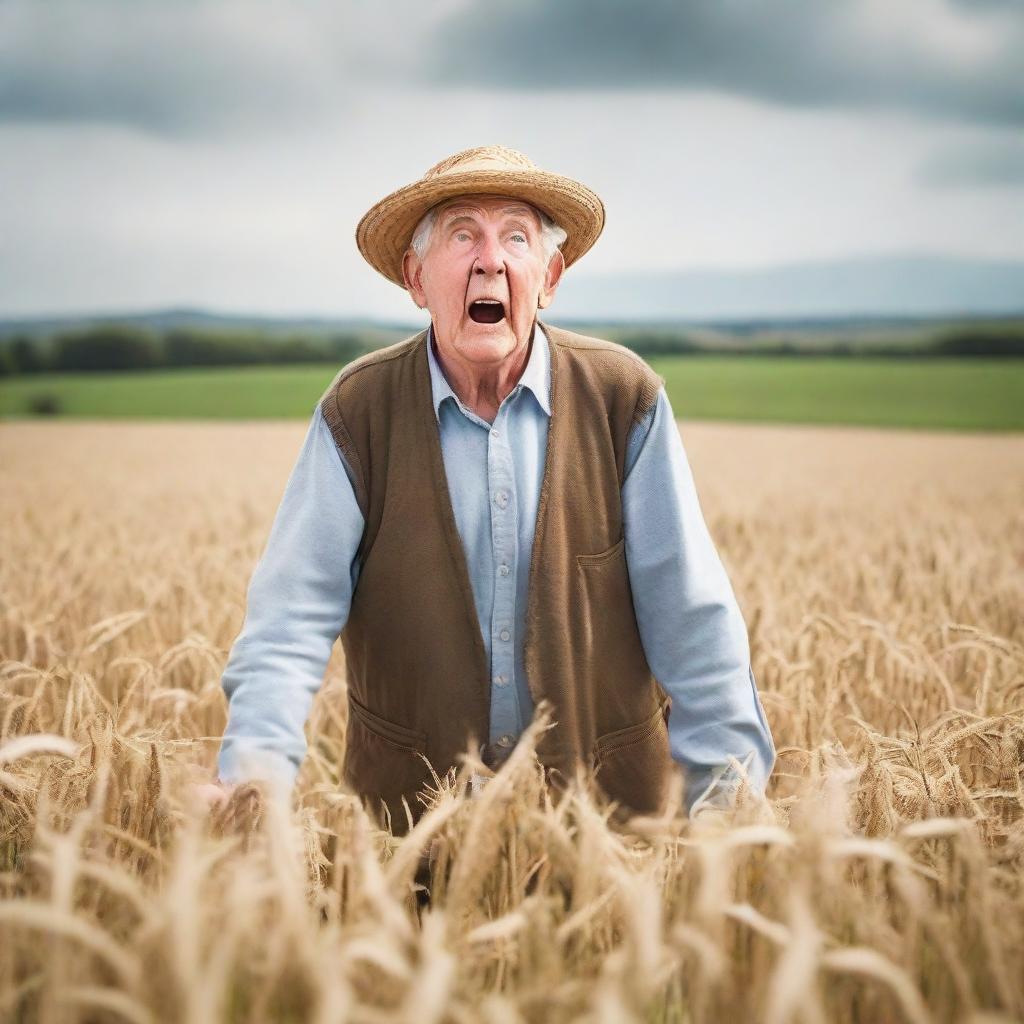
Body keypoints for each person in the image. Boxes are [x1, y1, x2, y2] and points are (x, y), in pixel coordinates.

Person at [196, 145, 776, 831]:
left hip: (613, 840)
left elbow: (693, 619)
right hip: (407, 844)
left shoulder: (624, 399)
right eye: (462, 234)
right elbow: (289, 621)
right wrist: (253, 784)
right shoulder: (359, 411)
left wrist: (730, 817)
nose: (489, 260)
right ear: (417, 277)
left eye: (517, 237)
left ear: (550, 276)